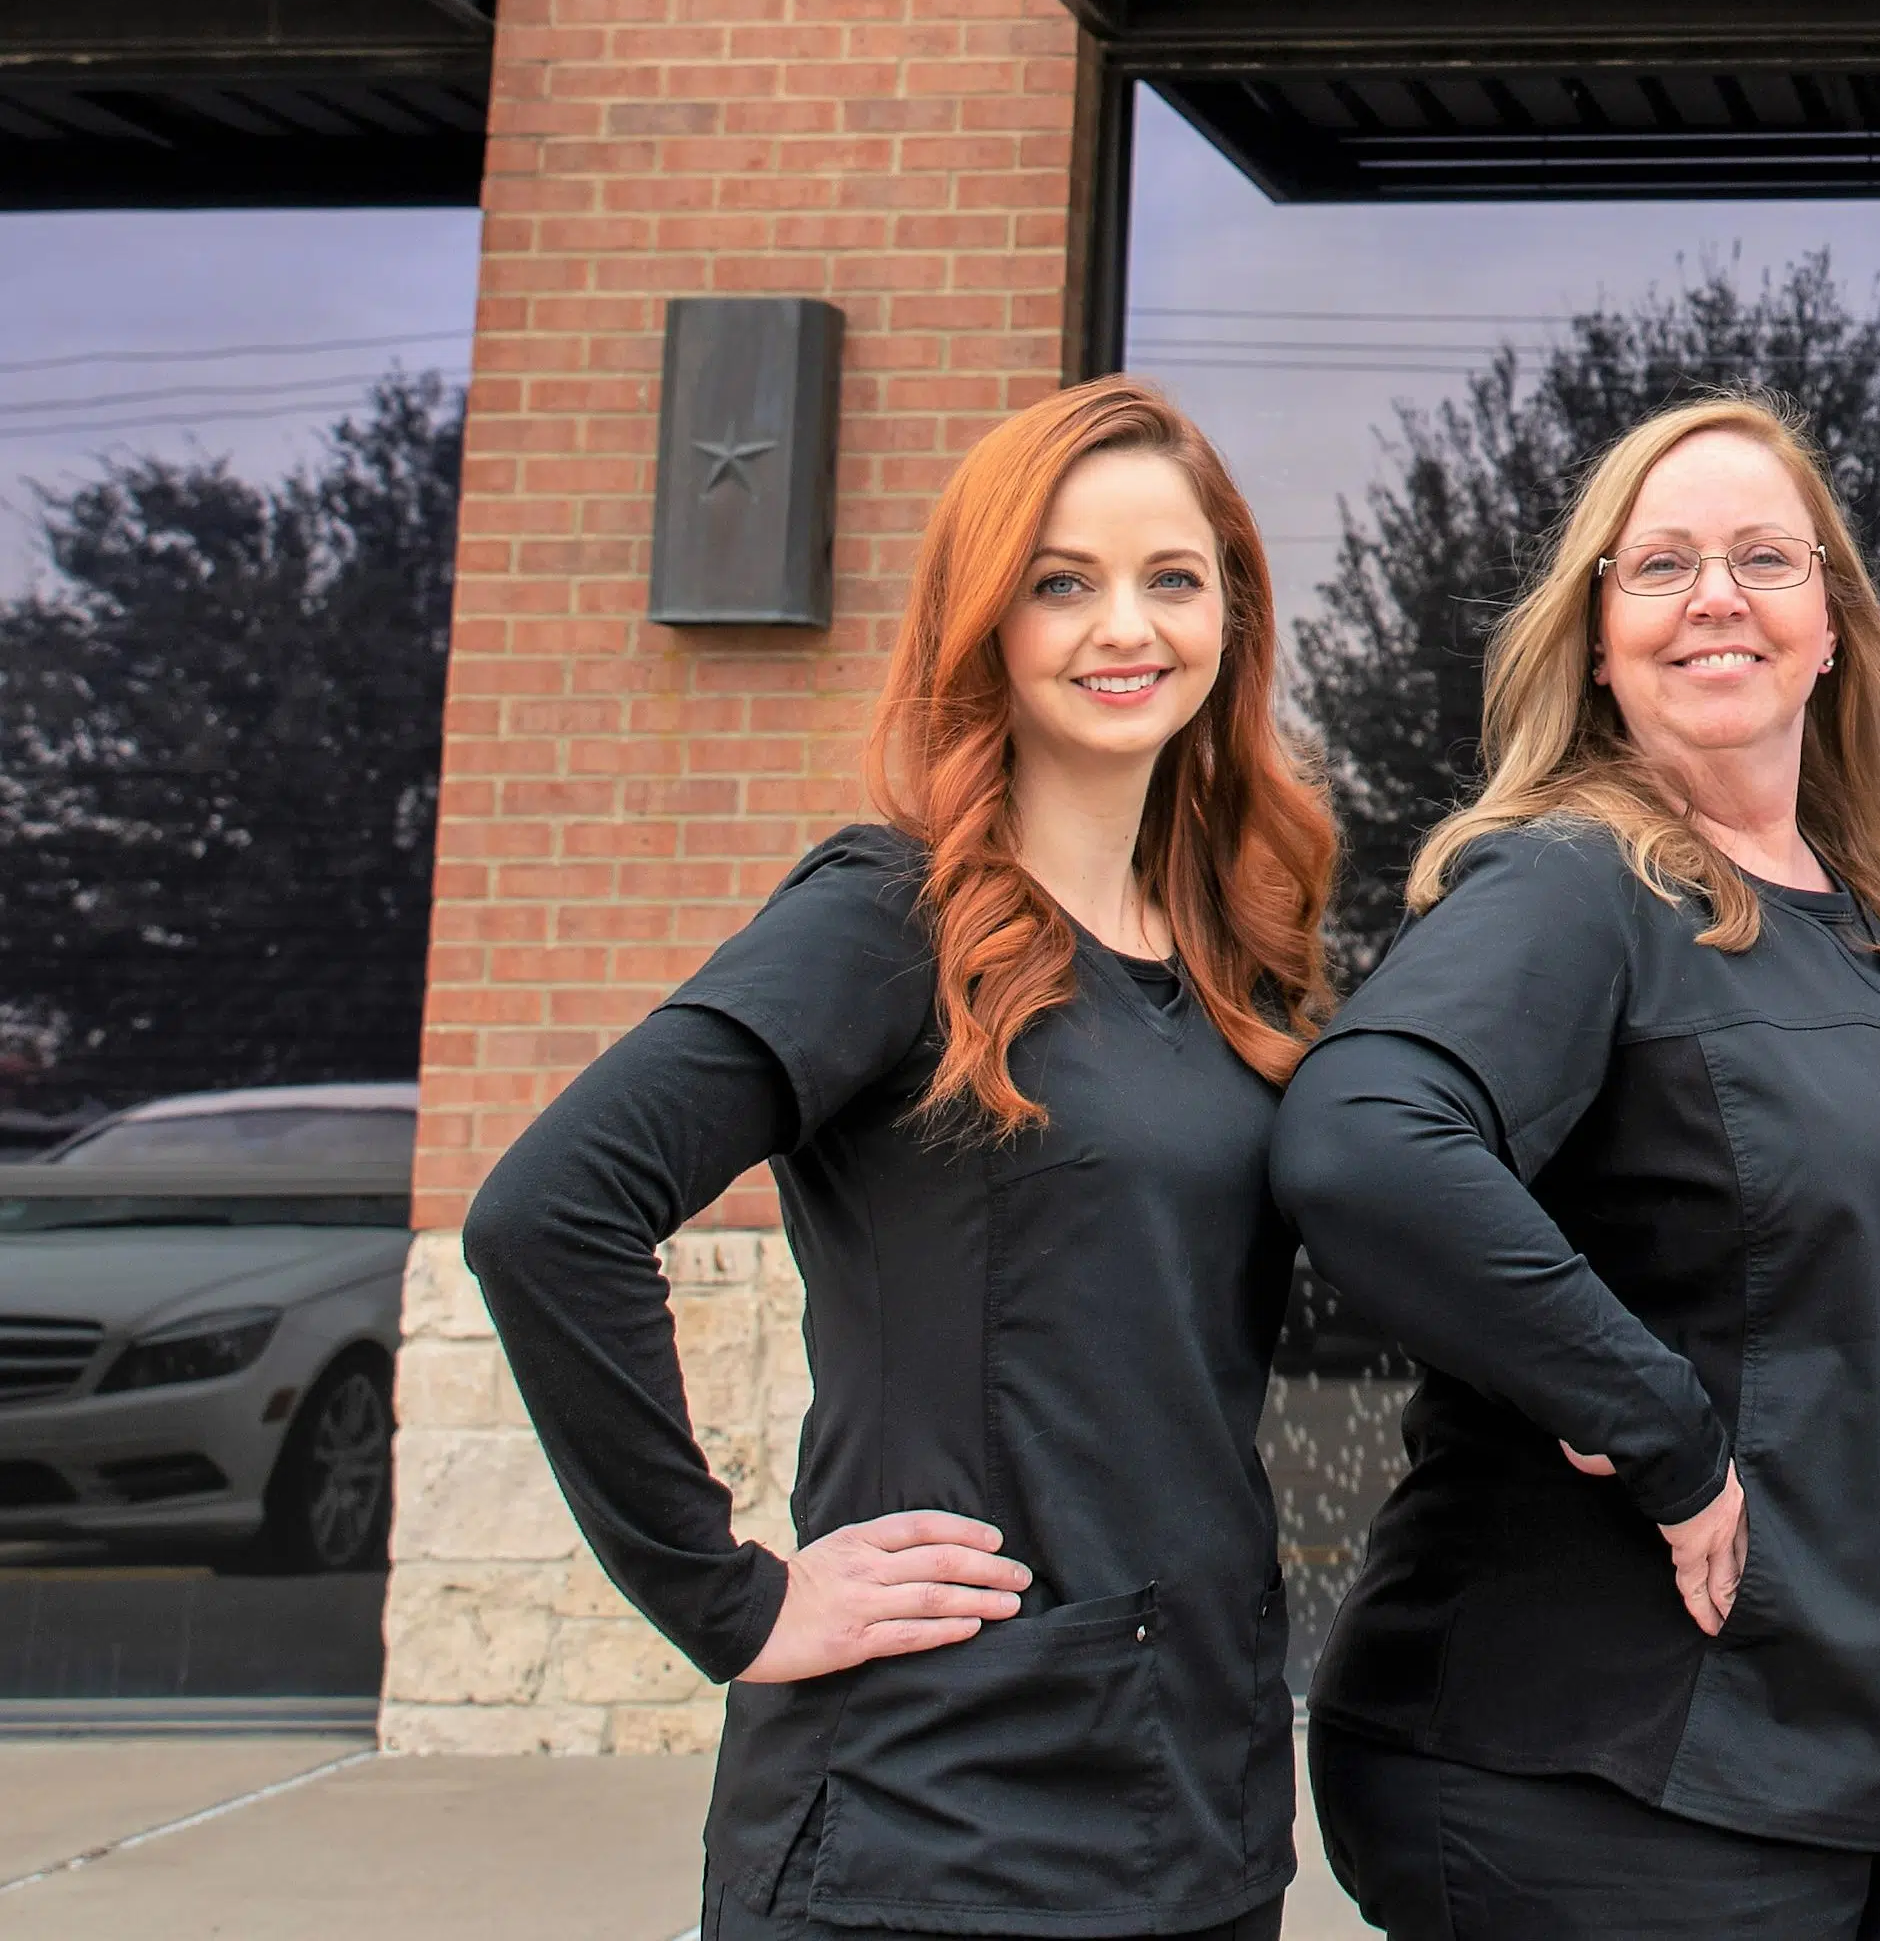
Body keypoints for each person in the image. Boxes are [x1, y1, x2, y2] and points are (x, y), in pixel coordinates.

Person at [463, 380, 1337, 1941]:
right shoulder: (892, 918)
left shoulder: (1235, 969)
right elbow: (550, 1214)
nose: (1124, 626)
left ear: (1231, 618)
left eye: (1173, 579)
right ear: (983, 620)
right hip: (934, 1818)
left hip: (1200, 1799)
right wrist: (730, 1596)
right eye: (1062, 581)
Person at [1265, 398, 1880, 1940]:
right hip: (1619, 1763)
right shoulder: (1572, 884)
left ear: (1831, 625)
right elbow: (1364, 1140)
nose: (1717, 595)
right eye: (1662, 565)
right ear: (1598, 638)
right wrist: (1653, 1428)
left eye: (1767, 557)